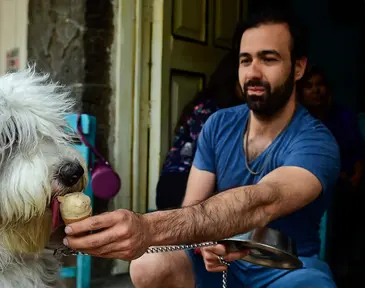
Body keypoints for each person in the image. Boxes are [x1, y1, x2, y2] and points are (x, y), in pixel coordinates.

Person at [62, 6, 341, 288]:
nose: (253, 73)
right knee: (149, 264)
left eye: (268, 59)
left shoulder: (317, 142)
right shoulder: (218, 124)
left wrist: (147, 228)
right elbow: (192, 206)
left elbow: (262, 202)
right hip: (217, 266)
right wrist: (204, 242)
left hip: (287, 269)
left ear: (298, 68)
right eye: (245, 61)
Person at [298, 65, 365, 286]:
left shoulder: (343, 116)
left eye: (320, 85)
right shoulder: (298, 121)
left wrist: (356, 177)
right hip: (313, 184)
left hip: (346, 184)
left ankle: (345, 264)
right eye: (309, 86)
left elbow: (358, 152)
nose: (316, 90)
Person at [156, 50, 244, 210]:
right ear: (232, 80)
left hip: (170, 183)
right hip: (182, 184)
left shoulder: (203, 105)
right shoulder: (214, 114)